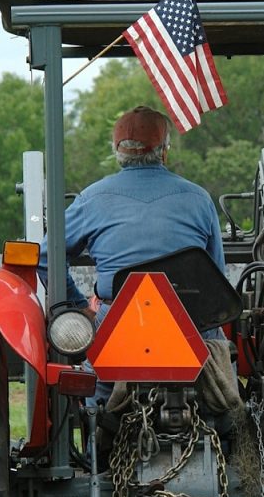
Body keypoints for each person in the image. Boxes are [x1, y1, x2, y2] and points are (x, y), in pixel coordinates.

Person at [38, 104, 226, 336]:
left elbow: (46, 256)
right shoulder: (199, 199)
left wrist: (79, 306)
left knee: (91, 368)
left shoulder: (91, 199)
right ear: (164, 151)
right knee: (220, 352)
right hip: (186, 326)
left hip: (118, 327)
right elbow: (216, 277)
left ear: (118, 153)